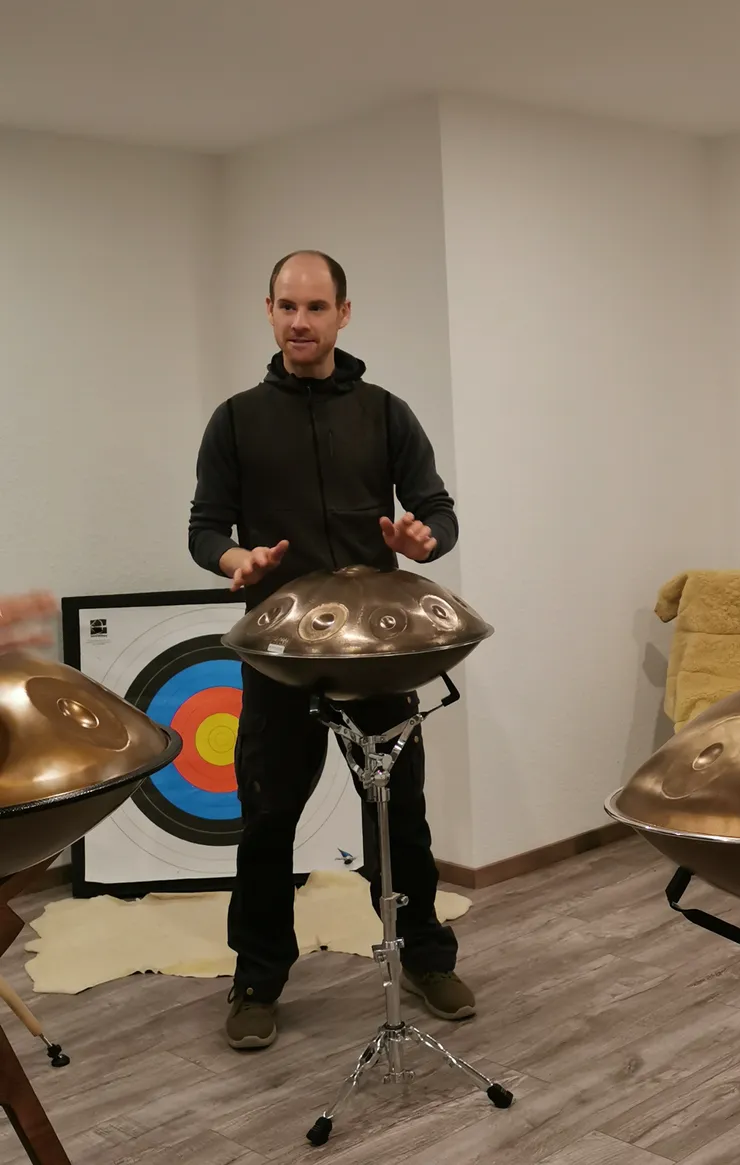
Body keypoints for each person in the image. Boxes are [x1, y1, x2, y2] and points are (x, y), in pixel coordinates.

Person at [188, 249, 475, 1050]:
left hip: (375, 653)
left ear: (344, 313)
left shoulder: (385, 413)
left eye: (316, 307)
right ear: (269, 311)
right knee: (266, 819)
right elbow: (204, 526)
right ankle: (257, 979)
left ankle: (426, 956)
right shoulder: (236, 419)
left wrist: (424, 539)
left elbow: (438, 510)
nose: (301, 321)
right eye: (287, 306)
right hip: (279, 653)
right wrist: (235, 558)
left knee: (399, 814)